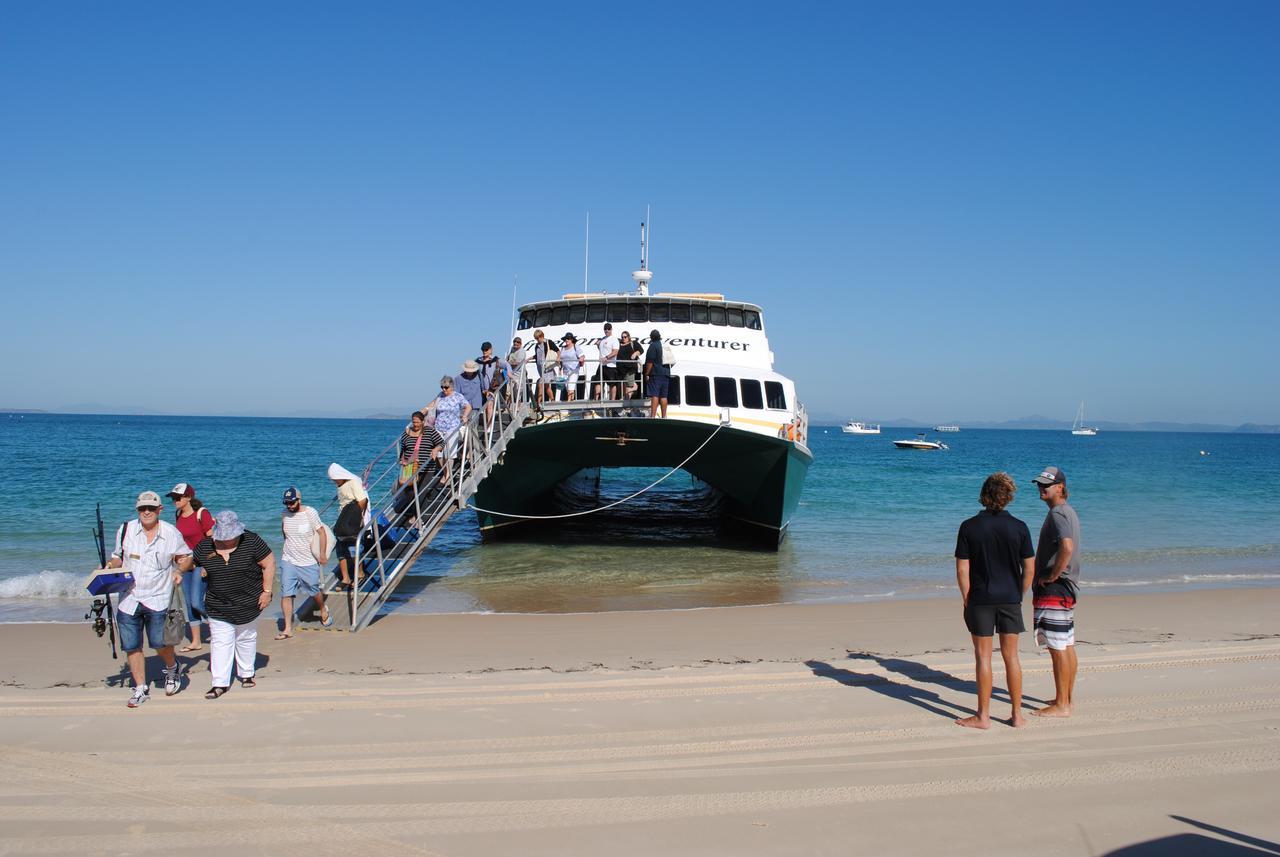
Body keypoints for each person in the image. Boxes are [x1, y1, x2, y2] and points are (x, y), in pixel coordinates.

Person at [953, 472, 1035, 729]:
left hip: (981, 598)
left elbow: (962, 570)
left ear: (984, 494)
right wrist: (1019, 594)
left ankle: (983, 716)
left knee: (983, 658)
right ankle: (1017, 715)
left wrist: (967, 598)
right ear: (1008, 496)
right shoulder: (1019, 527)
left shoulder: (969, 526)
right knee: (1012, 657)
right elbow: (1029, 568)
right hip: (1010, 597)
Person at [107, 490, 194, 708]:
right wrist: (109, 567)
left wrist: (179, 570)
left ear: (159, 510)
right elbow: (117, 556)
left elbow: (186, 557)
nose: (146, 512)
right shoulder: (125, 529)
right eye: (142, 508)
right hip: (129, 598)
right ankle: (140, 688)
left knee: (159, 642)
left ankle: (173, 669)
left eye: (151, 508)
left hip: (159, 597)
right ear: (137, 510)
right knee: (132, 646)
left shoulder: (171, 532)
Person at [193, 511, 275, 699]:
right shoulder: (205, 546)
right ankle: (219, 683)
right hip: (217, 604)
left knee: (246, 637)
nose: (227, 540)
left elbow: (269, 563)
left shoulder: (252, 541)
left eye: (231, 536)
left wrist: (267, 592)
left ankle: (246, 674)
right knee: (221, 642)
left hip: (249, 602)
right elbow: (192, 563)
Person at [1030, 466, 1082, 718]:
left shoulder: (1059, 513)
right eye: (1040, 484)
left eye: (1046, 485)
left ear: (1060, 487)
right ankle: (1066, 697)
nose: (1041, 488)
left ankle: (1063, 704)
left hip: (1056, 588)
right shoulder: (1066, 512)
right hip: (1066, 588)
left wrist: (1051, 575)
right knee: (1067, 644)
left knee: (1057, 647)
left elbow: (1067, 547)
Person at [276, 487, 329, 639]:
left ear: (299, 500)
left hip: (307, 561)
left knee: (313, 589)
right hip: (289, 559)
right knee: (286, 593)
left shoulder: (310, 512)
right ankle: (287, 629)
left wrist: (323, 553)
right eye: (287, 503)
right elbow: (284, 533)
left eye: (292, 502)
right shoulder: (284, 514)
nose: (289, 506)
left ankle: (322, 608)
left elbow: (321, 532)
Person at [169, 481, 213, 653]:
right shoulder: (178, 514)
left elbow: (212, 540)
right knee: (189, 602)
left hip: (201, 563)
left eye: (177, 497)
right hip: (185, 564)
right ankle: (196, 641)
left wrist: (208, 565)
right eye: (173, 497)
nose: (175, 500)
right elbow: (180, 541)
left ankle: (218, 624)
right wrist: (175, 557)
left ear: (188, 497)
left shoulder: (202, 513)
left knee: (196, 601)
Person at [328, 462, 368, 590]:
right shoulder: (342, 485)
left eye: (335, 479)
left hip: (352, 520)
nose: (334, 482)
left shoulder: (353, 482)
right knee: (340, 549)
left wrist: (357, 518)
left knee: (354, 549)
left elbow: (363, 500)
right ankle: (346, 578)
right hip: (343, 520)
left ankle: (360, 574)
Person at [432, 375, 473, 469]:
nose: (443, 389)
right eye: (442, 387)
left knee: (450, 452)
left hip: (452, 427)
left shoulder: (458, 396)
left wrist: (465, 416)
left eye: (446, 387)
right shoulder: (440, 395)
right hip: (438, 427)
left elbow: (468, 406)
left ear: (452, 386)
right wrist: (421, 412)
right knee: (439, 453)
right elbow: (432, 405)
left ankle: (447, 477)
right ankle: (445, 472)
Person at [475, 341, 508, 424]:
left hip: (492, 388)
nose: (484, 351)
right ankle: (487, 424)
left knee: (489, 406)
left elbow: (507, 365)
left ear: (491, 350)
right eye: (483, 350)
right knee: (485, 408)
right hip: (482, 389)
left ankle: (489, 426)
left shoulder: (496, 360)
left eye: (486, 349)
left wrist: (509, 375)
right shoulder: (478, 361)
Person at [642, 329, 670, 418]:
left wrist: (646, 373)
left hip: (656, 374)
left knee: (655, 395)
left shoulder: (653, 346)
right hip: (666, 373)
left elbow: (650, 362)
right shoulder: (664, 345)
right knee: (664, 396)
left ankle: (653, 416)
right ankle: (664, 416)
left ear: (651, 337)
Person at [592, 322, 619, 401]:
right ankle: (596, 400)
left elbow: (615, 352)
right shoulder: (603, 339)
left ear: (611, 329)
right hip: (601, 365)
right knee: (597, 382)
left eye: (608, 329)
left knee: (612, 384)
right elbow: (601, 350)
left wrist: (606, 357)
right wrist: (597, 345)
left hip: (610, 365)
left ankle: (612, 400)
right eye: (605, 329)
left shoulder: (614, 339)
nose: (607, 330)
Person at [531, 328, 559, 406]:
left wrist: (558, 358)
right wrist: (529, 359)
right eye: (536, 338)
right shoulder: (536, 346)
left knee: (541, 384)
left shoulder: (548, 342)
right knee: (546, 386)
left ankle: (538, 402)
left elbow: (557, 350)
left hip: (547, 368)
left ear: (542, 336)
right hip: (540, 369)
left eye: (538, 338)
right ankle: (553, 400)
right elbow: (537, 356)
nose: (537, 340)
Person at [617, 330, 645, 406]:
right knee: (622, 388)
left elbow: (641, 350)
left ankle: (626, 403)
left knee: (629, 387)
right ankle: (624, 401)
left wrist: (635, 353)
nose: (623, 338)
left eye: (625, 337)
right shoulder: (619, 344)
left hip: (630, 369)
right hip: (620, 370)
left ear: (628, 337)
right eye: (622, 337)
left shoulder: (633, 343)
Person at [559, 332, 582, 402]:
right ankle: (571, 401)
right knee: (567, 387)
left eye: (568, 339)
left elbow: (581, 355)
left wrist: (581, 358)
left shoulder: (575, 347)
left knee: (570, 386)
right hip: (565, 371)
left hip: (574, 370)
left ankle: (568, 402)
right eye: (565, 339)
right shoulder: (563, 348)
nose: (566, 340)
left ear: (572, 339)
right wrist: (560, 369)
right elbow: (560, 359)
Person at [506, 336, 528, 404]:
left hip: (519, 375)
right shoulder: (512, 349)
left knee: (517, 392)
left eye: (518, 342)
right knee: (508, 392)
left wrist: (508, 363)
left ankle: (518, 406)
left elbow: (517, 363)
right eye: (514, 342)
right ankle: (507, 406)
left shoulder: (522, 352)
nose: (515, 343)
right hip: (511, 374)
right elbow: (508, 358)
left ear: (520, 343)